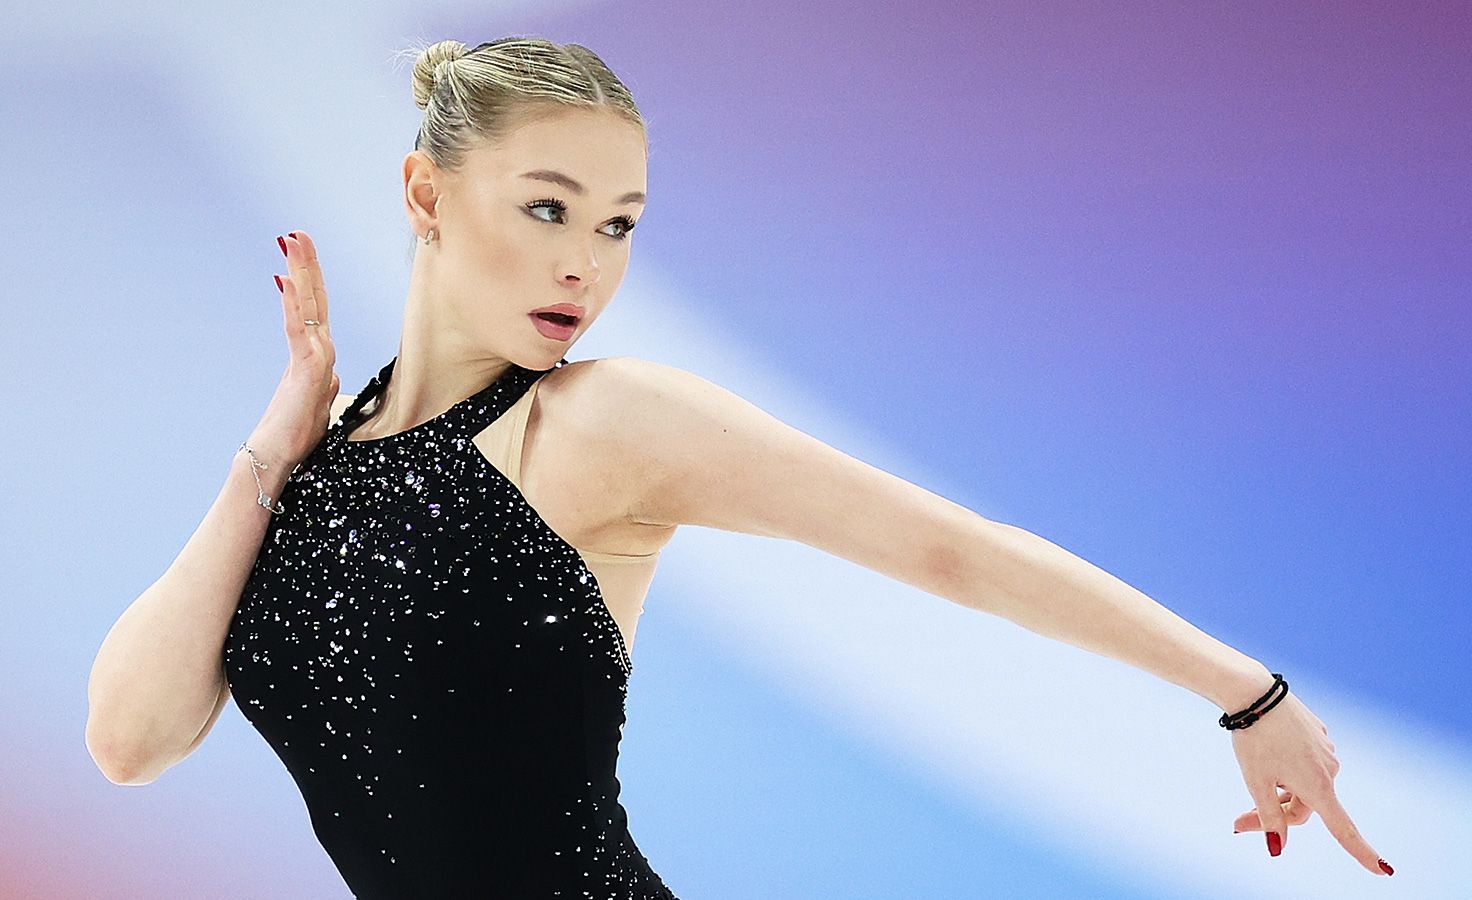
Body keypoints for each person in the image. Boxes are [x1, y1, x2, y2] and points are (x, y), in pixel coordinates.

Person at [85, 34, 1393, 898]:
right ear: (426, 195)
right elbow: (131, 740)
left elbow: (950, 550)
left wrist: (1245, 692)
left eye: (617, 225)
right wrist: (275, 444)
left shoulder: (604, 422)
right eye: (547, 206)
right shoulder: (318, 462)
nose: (584, 263)